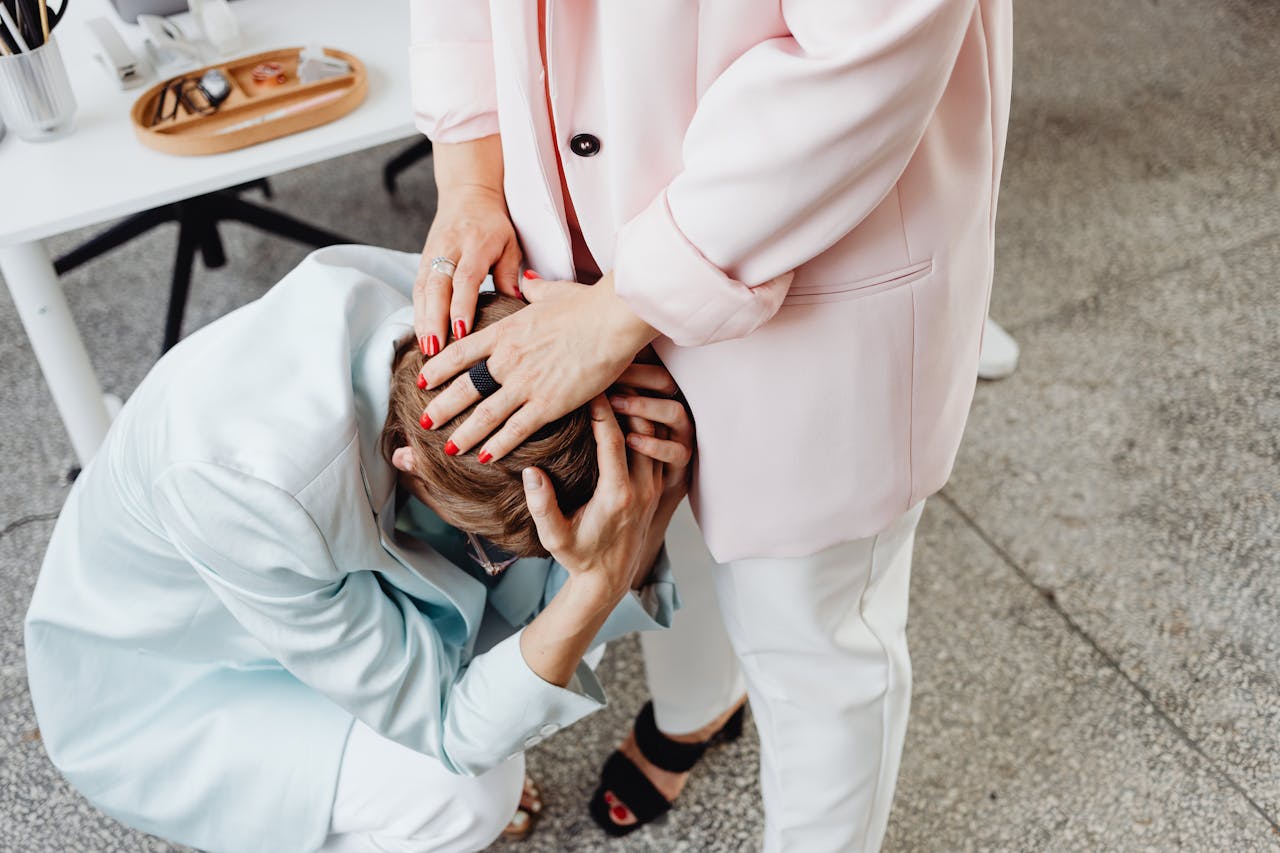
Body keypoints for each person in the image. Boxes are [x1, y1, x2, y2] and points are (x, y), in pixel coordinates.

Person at [407, 2, 1012, 850]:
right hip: (569, 242)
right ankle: (697, 708)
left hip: (813, 251)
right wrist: (470, 177)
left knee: (812, 636)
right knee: (654, 525)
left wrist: (622, 306)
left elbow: (873, 47)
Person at [24, 245, 694, 853]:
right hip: (181, 673)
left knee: (564, 636)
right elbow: (445, 727)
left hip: (308, 590)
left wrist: (642, 512)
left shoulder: (484, 326)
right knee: (466, 796)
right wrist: (595, 585)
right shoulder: (249, 490)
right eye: (494, 552)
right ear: (410, 460)